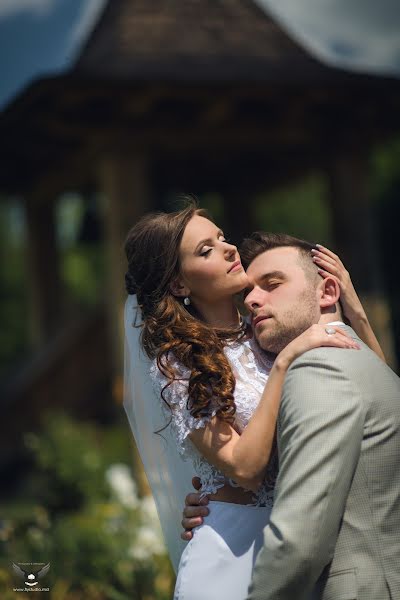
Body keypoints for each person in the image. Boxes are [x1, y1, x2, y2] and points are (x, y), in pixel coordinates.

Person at [123, 203, 382, 600]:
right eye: (206, 250)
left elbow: (376, 396)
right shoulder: (180, 363)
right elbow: (245, 469)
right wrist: (286, 363)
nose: (228, 249)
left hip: (302, 539)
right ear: (179, 285)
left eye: (222, 237)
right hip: (233, 548)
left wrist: (356, 312)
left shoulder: (270, 326)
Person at [181, 231, 400, 600]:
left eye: (272, 284)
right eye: (249, 291)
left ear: (329, 291)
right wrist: (222, 498)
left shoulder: (319, 368)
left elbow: (300, 541)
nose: (252, 299)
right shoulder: (358, 364)